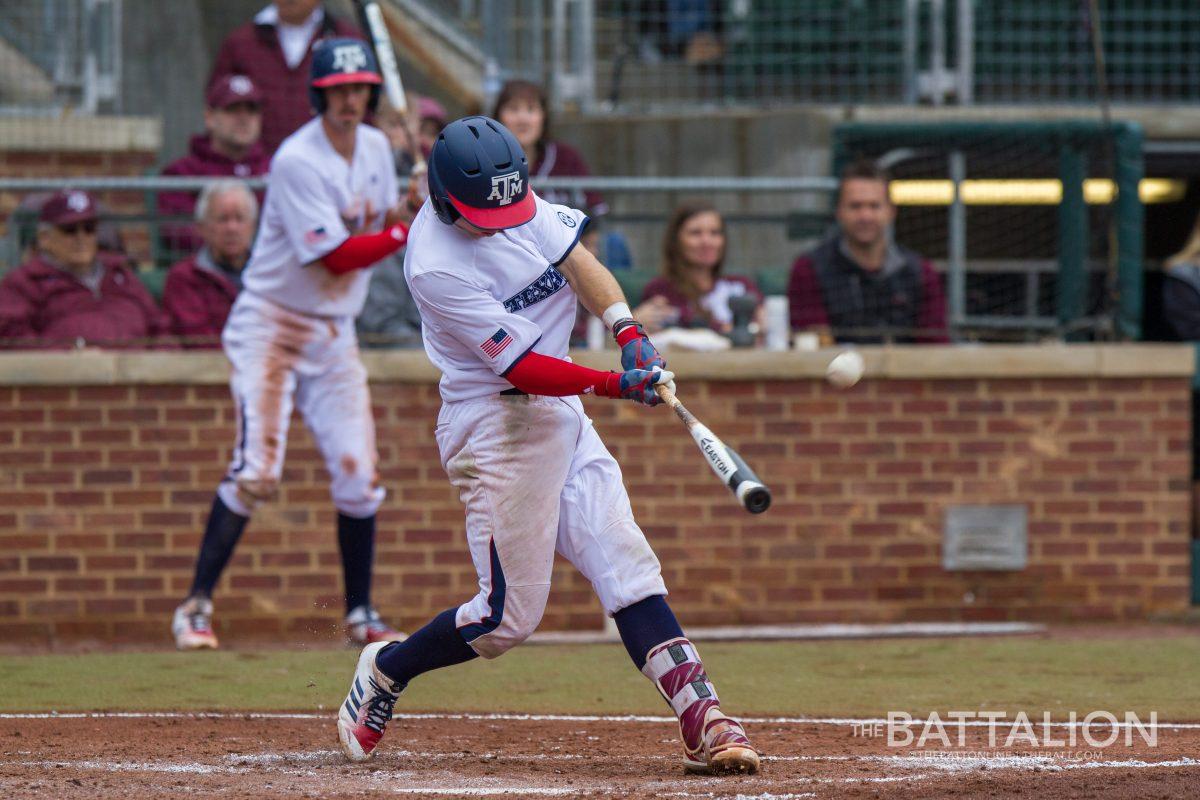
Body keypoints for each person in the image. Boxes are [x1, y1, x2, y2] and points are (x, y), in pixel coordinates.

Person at [334, 116, 759, 777]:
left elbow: (579, 263)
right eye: (484, 214)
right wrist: (615, 384)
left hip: (559, 410)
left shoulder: (511, 198)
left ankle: (701, 713)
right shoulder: (434, 266)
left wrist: (627, 329)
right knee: (508, 618)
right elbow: (523, 367)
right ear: (447, 201)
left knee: (623, 556)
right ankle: (387, 668)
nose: (504, 224)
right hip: (494, 426)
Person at [171, 39, 414, 651]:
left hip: (334, 332)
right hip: (273, 325)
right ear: (319, 94)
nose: (350, 100)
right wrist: (406, 226)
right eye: (339, 90)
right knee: (258, 472)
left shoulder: (380, 147)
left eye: (359, 89)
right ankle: (195, 607)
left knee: (360, 476)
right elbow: (336, 252)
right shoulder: (296, 159)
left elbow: (381, 215)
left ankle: (360, 613)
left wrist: (412, 198)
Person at [788, 159, 949, 344]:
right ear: (839, 211)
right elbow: (813, 345)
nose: (865, 216)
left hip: (906, 371)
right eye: (855, 206)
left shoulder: (921, 272)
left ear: (891, 211)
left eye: (874, 206)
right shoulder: (809, 269)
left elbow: (934, 346)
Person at [0, 190, 166, 348]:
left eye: (89, 229)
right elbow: (11, 338)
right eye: (69, 230)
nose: (81, 238)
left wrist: (160, 364)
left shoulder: (121, 275)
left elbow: (161, 329)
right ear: (44, 238)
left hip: (138, 372)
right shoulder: (25, 281)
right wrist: (68, 357)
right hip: (68, 374)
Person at [208, 0, 361, 155]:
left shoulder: (347, 41)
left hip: (329, 162)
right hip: (259, 169)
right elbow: (216, 104)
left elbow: (364, 108)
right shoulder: (240, 43)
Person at [158, 75, 271, 256]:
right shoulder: (183, 172)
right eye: (233, 109)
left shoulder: (276, 169)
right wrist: (232, 245)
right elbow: (176, 233)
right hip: (204, 274)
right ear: (209, 117)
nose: (243, 118)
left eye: (251, 110)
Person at [638, 202, 761, 334]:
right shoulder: (661, 290)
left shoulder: (741, 286)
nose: (707, 241)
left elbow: (764, 327)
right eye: (695, 233)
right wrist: (635, 324)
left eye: (715, 233)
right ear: (676, 240)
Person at [162, 181, 258, 347]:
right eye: (222, 219)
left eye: (240, 218)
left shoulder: (270, 274)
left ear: (253, 226)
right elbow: (196, 339)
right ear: (201, 227)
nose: (232, 228)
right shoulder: (184, 278)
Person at [491, 79, 607, 215]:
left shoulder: (566, 157)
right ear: (498, 116)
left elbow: (596, 216)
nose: (522, 119)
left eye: (531, 109)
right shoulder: (484, 160)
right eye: (513, 109)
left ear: (543, 116)